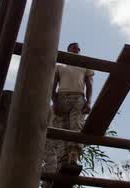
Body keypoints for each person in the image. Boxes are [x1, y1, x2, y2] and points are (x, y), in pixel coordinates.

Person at [42, 42, 94, 182]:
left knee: (76, 126)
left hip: (78, 97)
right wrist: (55, 100)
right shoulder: (60, 67)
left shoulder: (85, 65)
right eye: (74, 48)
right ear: (69, 50)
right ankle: (61, 160)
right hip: (62, 97)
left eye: (78, 48)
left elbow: (89, 84)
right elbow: (52, 84)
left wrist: (89, 102)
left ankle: (73, 156)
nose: (77, 50)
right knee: (60, 129)